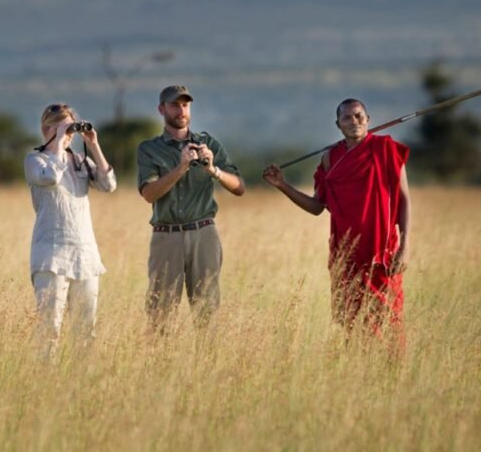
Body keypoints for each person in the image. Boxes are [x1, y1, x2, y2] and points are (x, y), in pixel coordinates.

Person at [262, 98, 410, 344]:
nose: (354, 121)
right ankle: (356, 374)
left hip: (381, 254)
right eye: (347, 118)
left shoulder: (385, 149)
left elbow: (404, 201)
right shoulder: (331, 159)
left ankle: (394, 377)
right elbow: (316, 207)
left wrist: (404, 248)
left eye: (359, 116)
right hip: (346, 254)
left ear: (368, 119)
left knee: (389, 321)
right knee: (352, 323)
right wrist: (282, 186)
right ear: (338, 124)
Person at [137, 85, 245, 332]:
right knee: (160, 313)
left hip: (203, 232)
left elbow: (239, 187)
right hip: (166, 235)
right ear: (161, 109)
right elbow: (149, 193)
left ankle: (206, 365)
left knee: (207, 311)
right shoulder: (149, 149)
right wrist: (181, 167)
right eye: (175, 105)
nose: (181, 110)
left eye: (185, 105)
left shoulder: (208, 143)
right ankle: (159, 366)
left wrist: (213, 170)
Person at [24, 103, 116, 357]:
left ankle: (80, 386)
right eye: (61, 127)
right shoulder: (35, 160)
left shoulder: (80, 161)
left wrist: (93, 144)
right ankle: (46, 382)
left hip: (85, 254)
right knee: (49, 329)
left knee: (86, 331)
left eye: (70, 128)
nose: (69, 134)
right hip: (51, 254)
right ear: (46, 129)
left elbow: (109, 185)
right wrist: (57, 145)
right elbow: (50, 177)